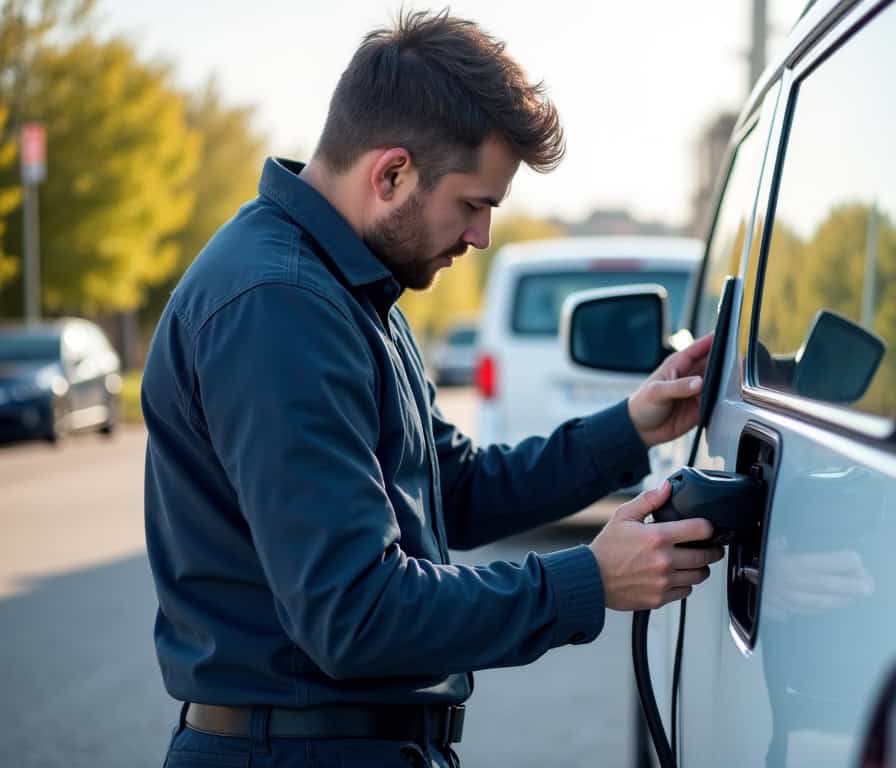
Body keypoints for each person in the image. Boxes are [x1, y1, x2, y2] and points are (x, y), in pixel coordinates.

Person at [141, 9, 721, 767]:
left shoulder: (347, 288)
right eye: (474, 205)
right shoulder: (280, 305)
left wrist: (633, 426)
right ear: (392, 174)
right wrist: (586, 578)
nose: (481, 236)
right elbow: (355, 613)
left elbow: (455, 487)